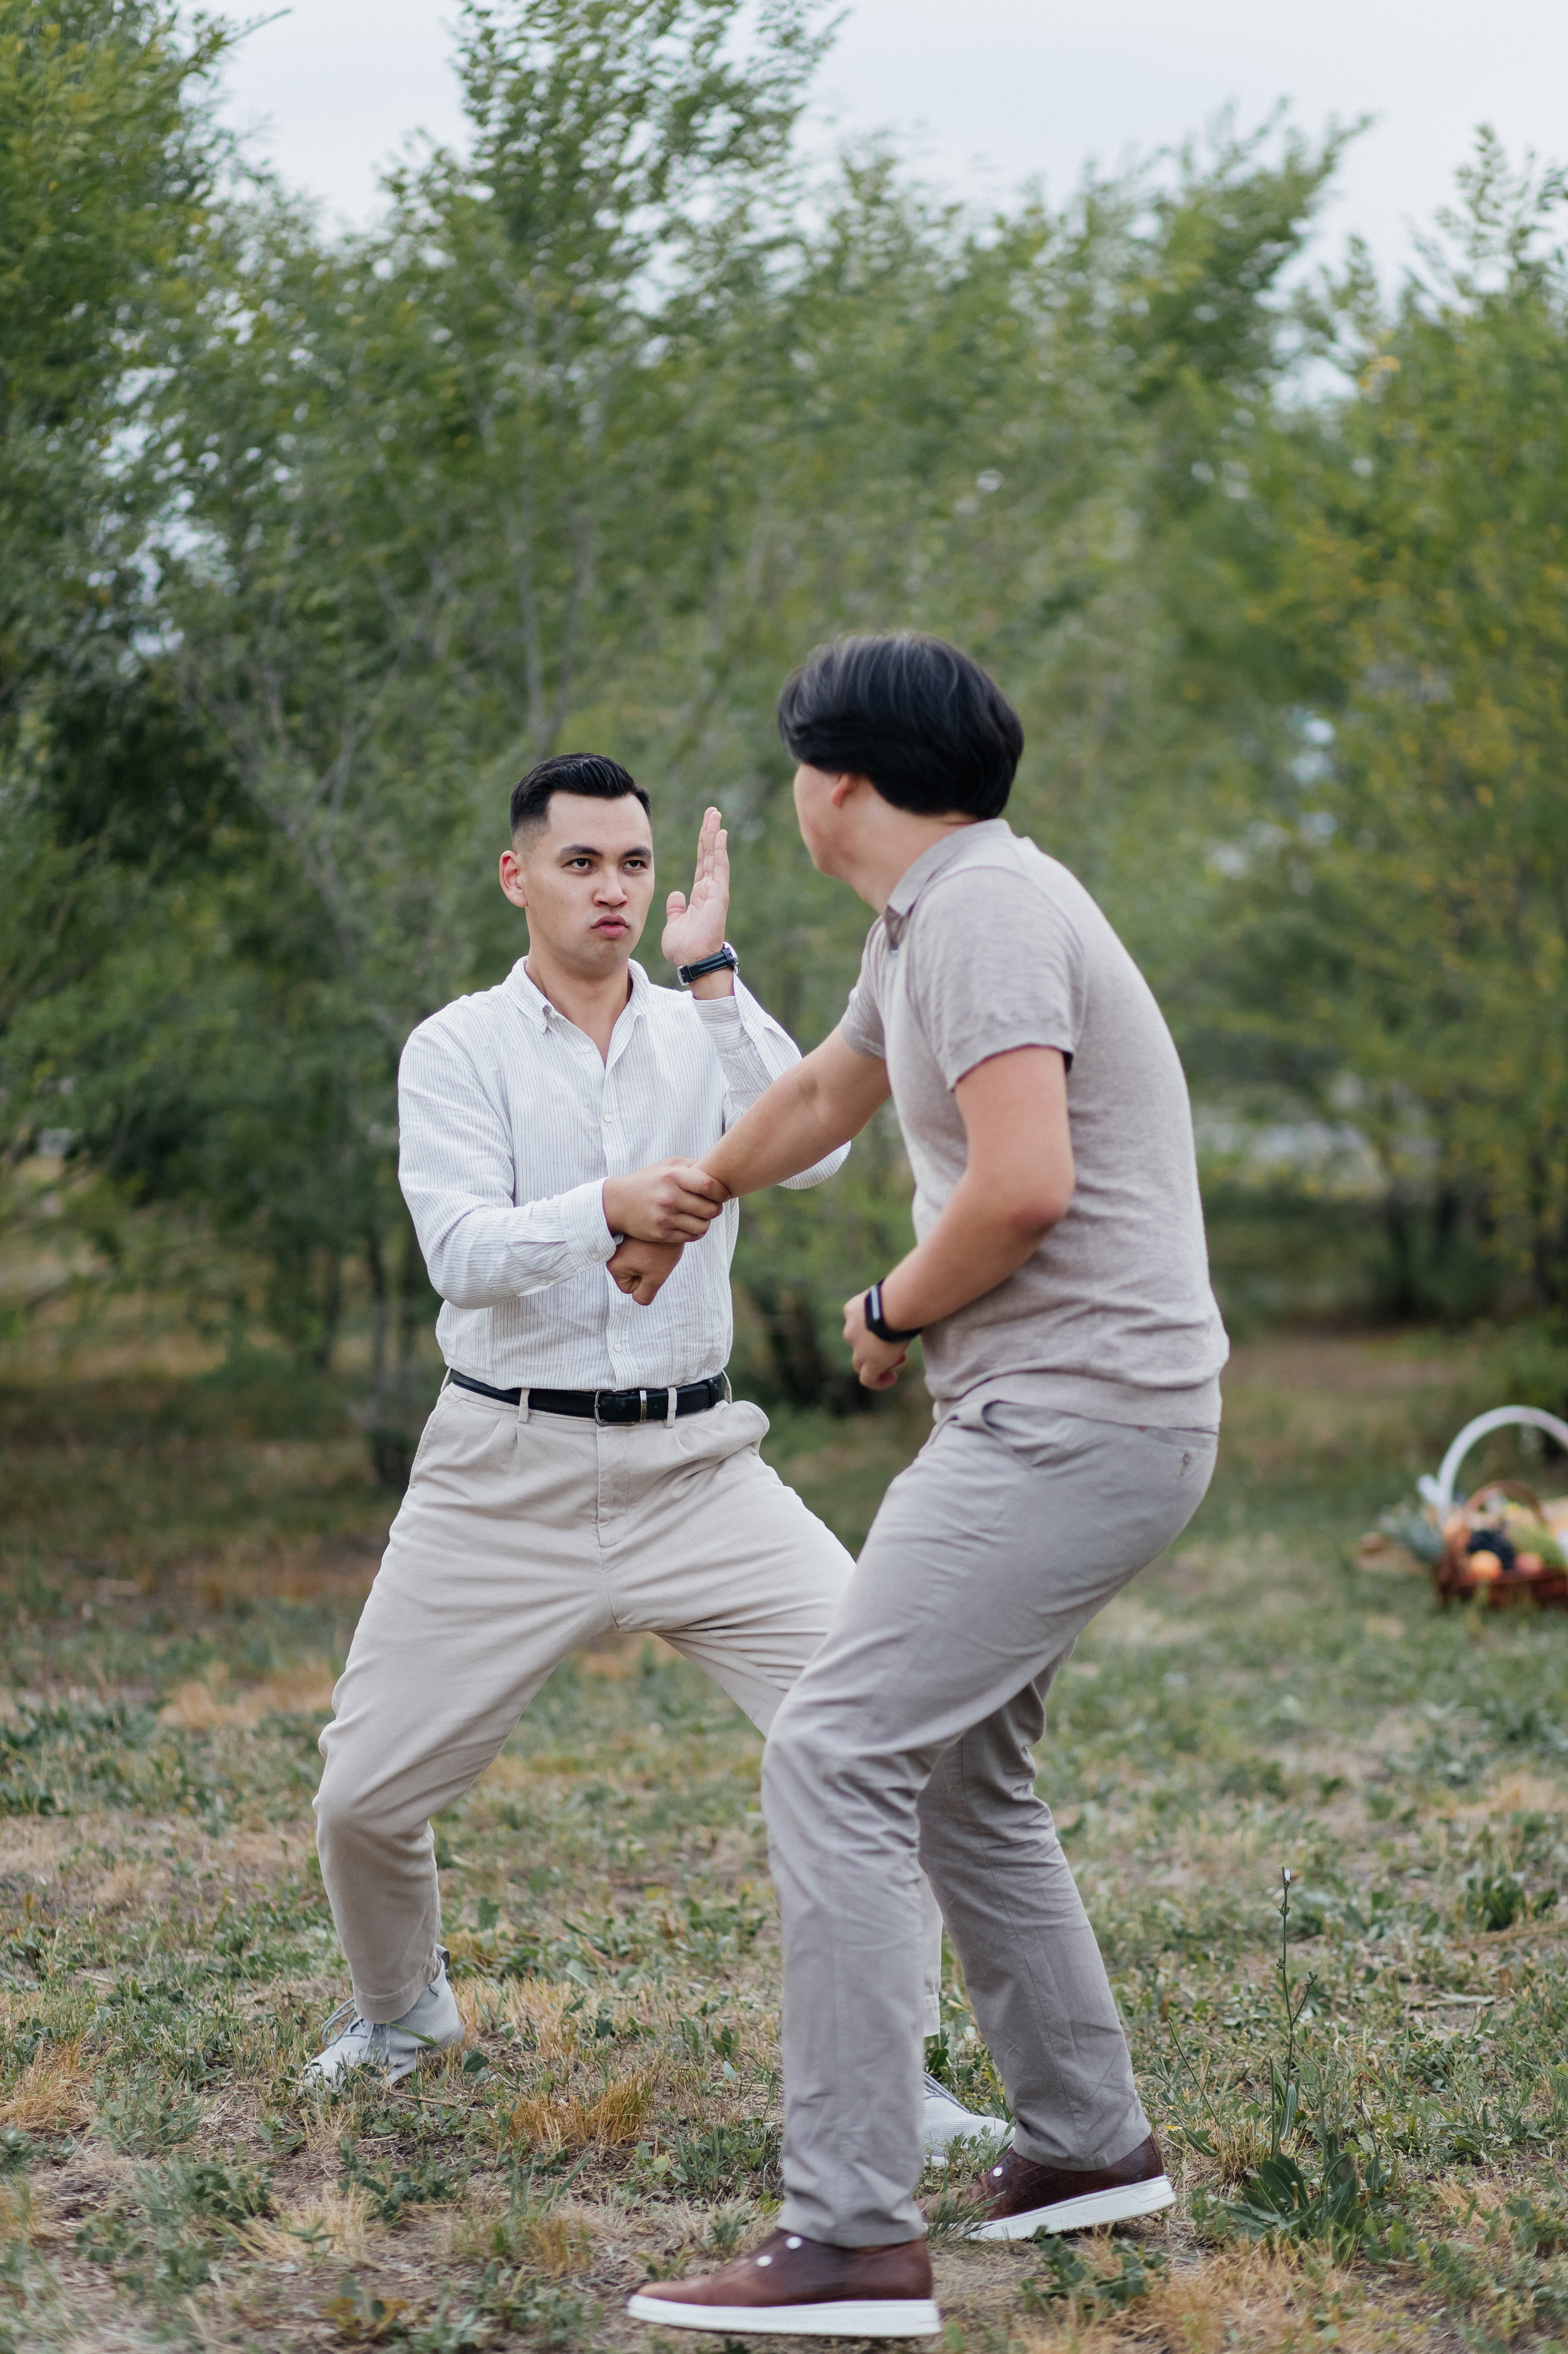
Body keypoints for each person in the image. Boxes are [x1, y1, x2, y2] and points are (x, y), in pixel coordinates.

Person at [629, 636, 1229, 2341]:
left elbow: (1023, 1184)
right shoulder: (945, 915)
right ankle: (1084, 2147)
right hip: (1092, 1415)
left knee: (836, 1748)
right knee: (962, 1774)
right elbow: (826, 1092)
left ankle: (848, 2236)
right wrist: (689, 1185)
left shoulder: (981, 916)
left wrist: (891, 1309)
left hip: (1073, 1419)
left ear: (839, 786)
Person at [303, 751, 992, 2163]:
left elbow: (813, 1157)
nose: (611, 890)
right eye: (580, 864)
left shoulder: (702, 1028)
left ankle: (890, 2081)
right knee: (362, 1800)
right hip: (502, 1466)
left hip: (699, 1467)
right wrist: (602, 1205)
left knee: (883, 1740)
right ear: (517, 876)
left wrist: (717, 974)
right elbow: (460, 1254)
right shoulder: (454, 1049)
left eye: (631, 865)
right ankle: (400, 2014)